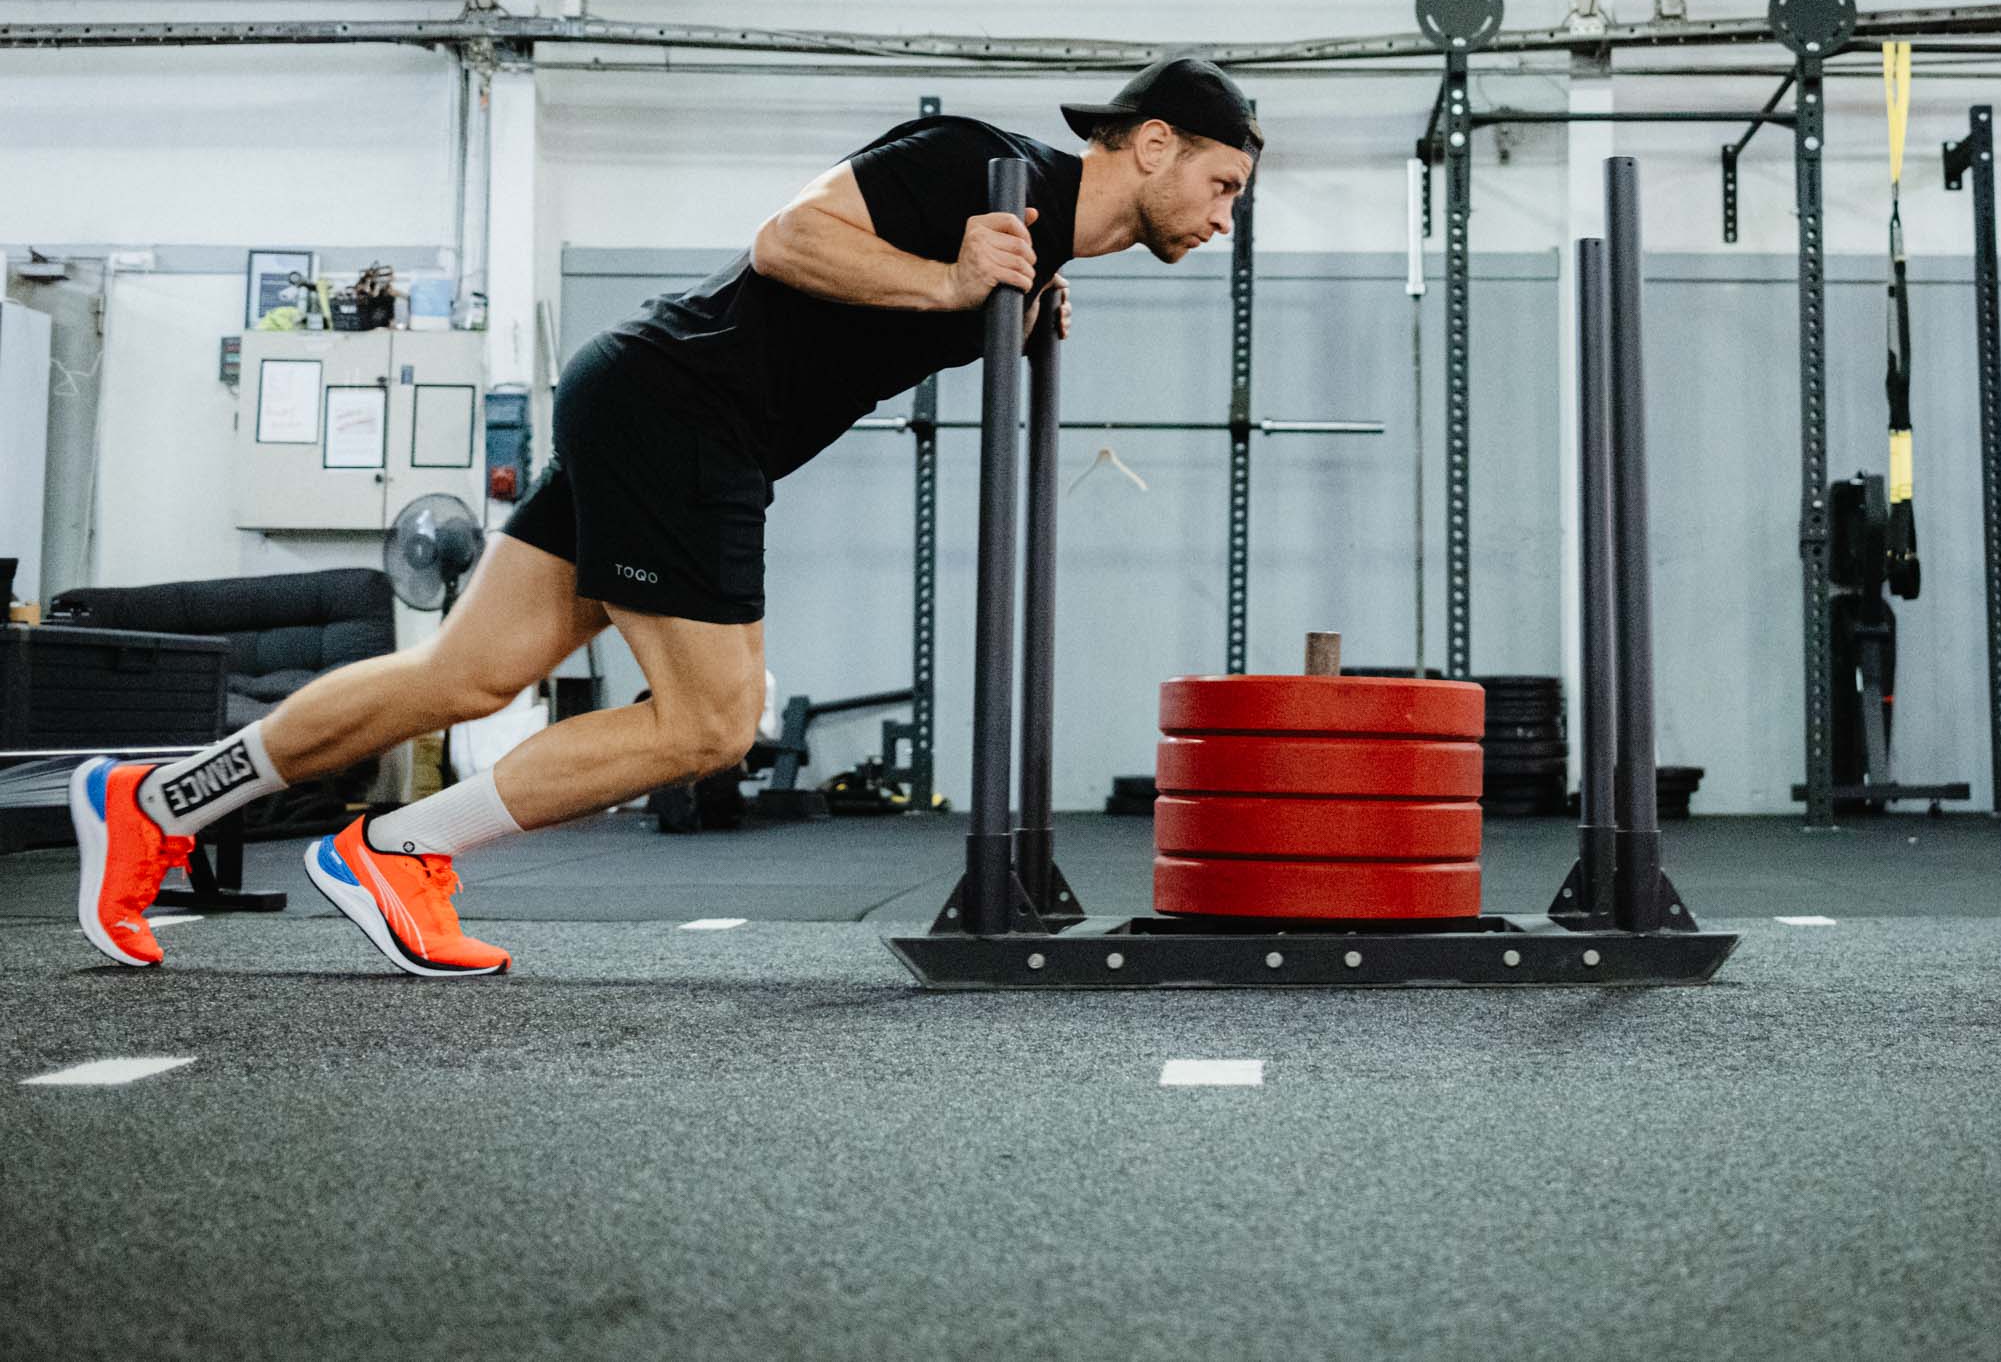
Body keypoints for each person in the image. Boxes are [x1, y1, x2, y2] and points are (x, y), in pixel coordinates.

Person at [72, 56, 1261, 977]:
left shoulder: (1036, 242)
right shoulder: (976, 162)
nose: (1223, 217)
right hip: (684, 411)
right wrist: (952, 288)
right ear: (1151, 144)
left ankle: (155, 799)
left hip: (655, 402)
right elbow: (787, 240)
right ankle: (393, 851)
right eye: (1220, 184)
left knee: (467, 673)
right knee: (712, 725)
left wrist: (1013, 297)